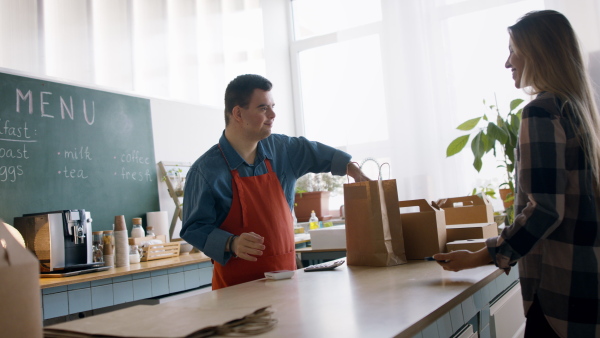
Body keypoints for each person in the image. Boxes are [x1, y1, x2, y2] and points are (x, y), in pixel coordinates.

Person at [433, 10, 600, 338]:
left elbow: (544, 211)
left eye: (513, 50)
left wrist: (478, 257)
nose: (508, 63)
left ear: (537, 53)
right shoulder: (579, 110)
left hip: (558, 294)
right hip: (587, 285)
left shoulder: (541, 112)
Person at [181, 74, 369, 290]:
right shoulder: (205, 171)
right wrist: (231, 242)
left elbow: (317, 153)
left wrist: (354, 170)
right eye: (263, 108)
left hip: (286, 285)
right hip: (236, 293)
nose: (273, 115)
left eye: (272, 106)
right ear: (238, 113)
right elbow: (194, 228)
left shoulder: (283, 150)